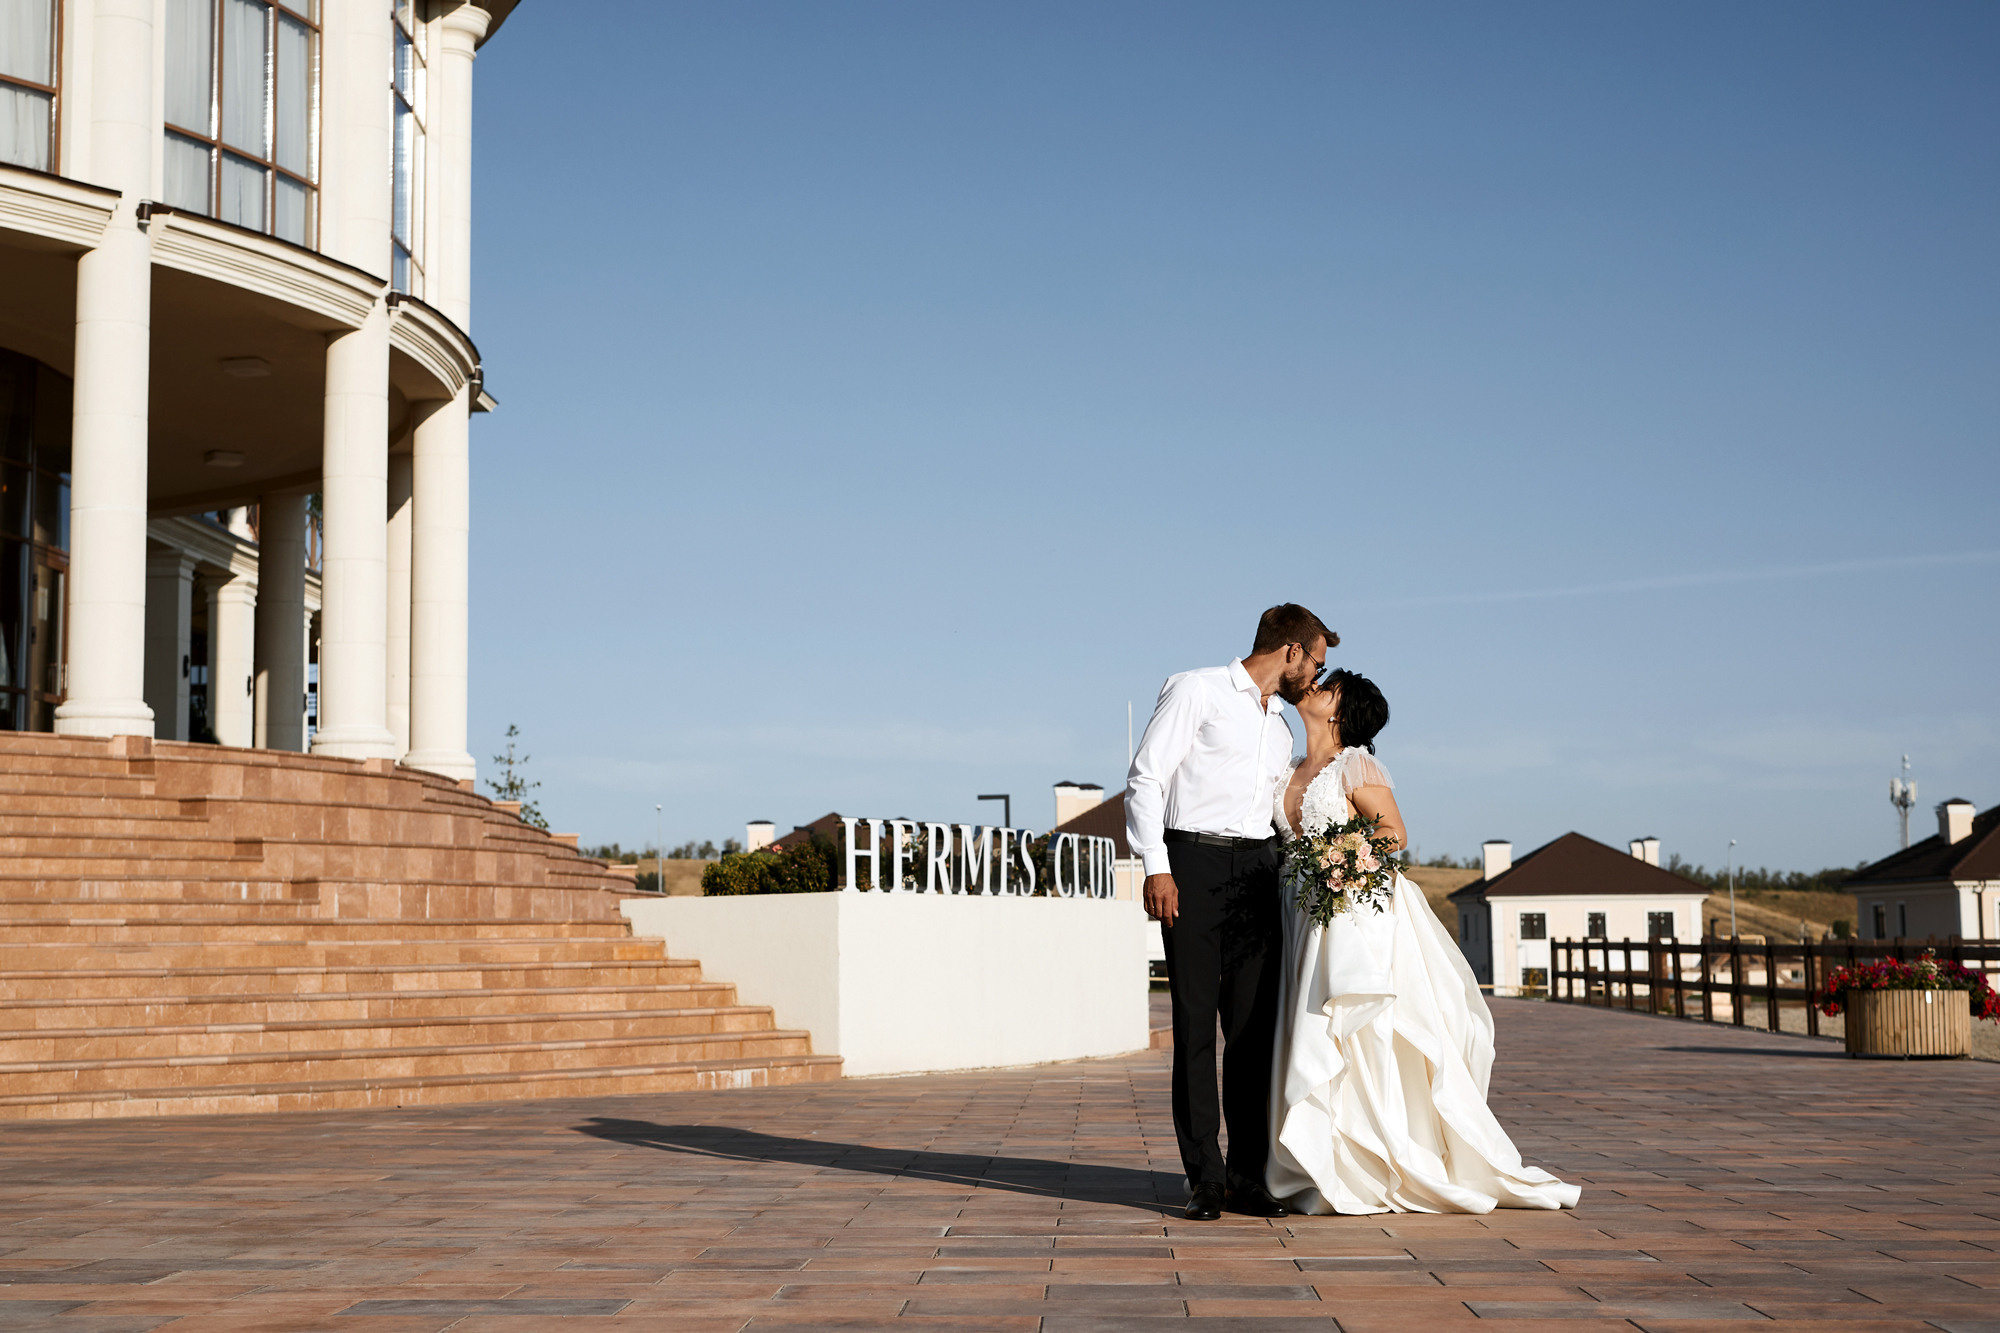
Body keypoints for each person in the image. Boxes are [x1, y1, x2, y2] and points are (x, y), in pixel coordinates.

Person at [1267, 669, 1580, 1214]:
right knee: (1303, 1026)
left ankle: (1366, 1163)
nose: (1316, 687)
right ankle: (1315, 1161)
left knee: (1354, 1033)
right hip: (1296, 910)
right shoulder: (1289, 767)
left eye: (1329, 686)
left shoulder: (1354, 765)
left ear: (1341, 712)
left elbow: (1393, 834)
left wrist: (1336, 861)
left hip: (1347, 915)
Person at [1126, 603, 1334, 1221]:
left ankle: (1246, 1177)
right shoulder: (1197, 689)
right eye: (1316, 663)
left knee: (1250, 1033)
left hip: (1259, 873)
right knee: (1194, 1029)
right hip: (1193, 864)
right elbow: (1145, 778)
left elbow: (1278, 810)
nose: (1317, 678)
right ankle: (1204, 1180)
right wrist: (1157, 866)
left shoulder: (1282, 730)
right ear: (1290, 651)